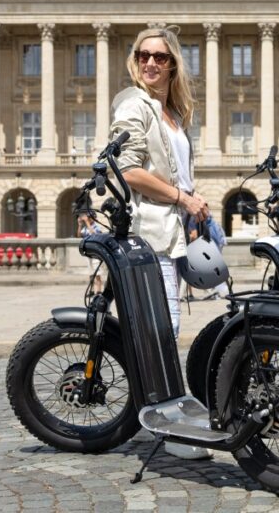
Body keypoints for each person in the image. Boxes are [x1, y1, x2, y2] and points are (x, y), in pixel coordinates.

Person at [109, 26, 210, 461]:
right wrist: (182, 198)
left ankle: (167, 414)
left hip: (173, 231)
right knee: (160, 331)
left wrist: (190, 209)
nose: (150, 62)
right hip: (148, 233)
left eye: (160, 57)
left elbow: (175, 172)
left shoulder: (172, 112)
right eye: (143, 55)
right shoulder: (135, 104)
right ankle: (169, 425)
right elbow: (128, 169)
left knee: (167, 328)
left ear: (173, 64)